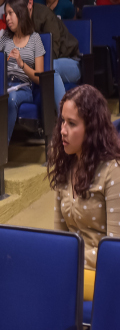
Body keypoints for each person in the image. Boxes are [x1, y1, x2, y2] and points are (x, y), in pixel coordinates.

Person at [49, 85, 120, 302]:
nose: (63, 130)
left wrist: (72, 261)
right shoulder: (65, 168)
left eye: (71, 124)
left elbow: (115, 252)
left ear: (91, 128)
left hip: (105, 274)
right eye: (62, 121)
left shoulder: (113, 171)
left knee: (46, 288)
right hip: (74, 268)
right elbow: (60, 238)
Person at [0, 0, 46, 174]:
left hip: (23, 87)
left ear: (20, 13)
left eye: (10, 13)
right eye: (6, 14)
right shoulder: (5, 39)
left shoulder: (35, 39)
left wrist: (21, 64)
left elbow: (39, 77)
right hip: (3, 85)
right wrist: (2, 62)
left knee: (11, 99)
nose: (7, 18)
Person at [8, 0, 81, 112]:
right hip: (38, 68)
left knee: (50, 68)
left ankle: (63, 118)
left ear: (30, 4)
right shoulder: (13, 23)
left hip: (70, 62)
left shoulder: (45, 16)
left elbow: (53, 53)